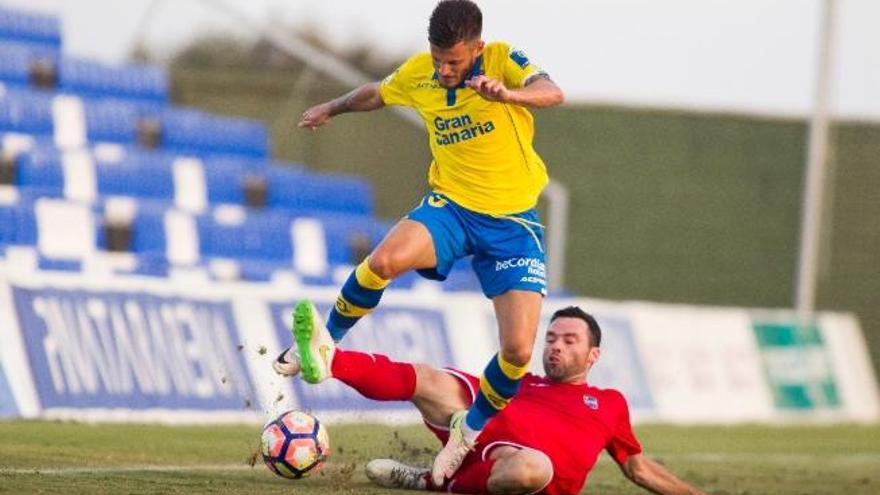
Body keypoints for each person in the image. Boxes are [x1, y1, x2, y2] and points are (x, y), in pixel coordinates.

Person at [276, 0, 564, 484]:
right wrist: (333, 107)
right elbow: (377, 92)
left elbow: (552, 93)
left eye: (454, 61)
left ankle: (466, 433)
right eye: (438, 60)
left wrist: (509, 97)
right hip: (452, 207)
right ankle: (325, 343)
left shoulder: (502, 60)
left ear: (476, 47)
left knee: (516, 351)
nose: (445, 70)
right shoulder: (421, 73)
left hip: (514, 224)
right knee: (385, 259)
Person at [279, 305, 709, 495]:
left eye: (569, 341)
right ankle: (330, 359)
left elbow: (636, 466)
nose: (556, 346)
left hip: (522, 473)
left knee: (533, 466)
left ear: (593, 355)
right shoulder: (521, 382)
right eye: (552, 337)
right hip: (476, 433)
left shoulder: (610, 402)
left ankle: (432, 482)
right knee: (428, 377)